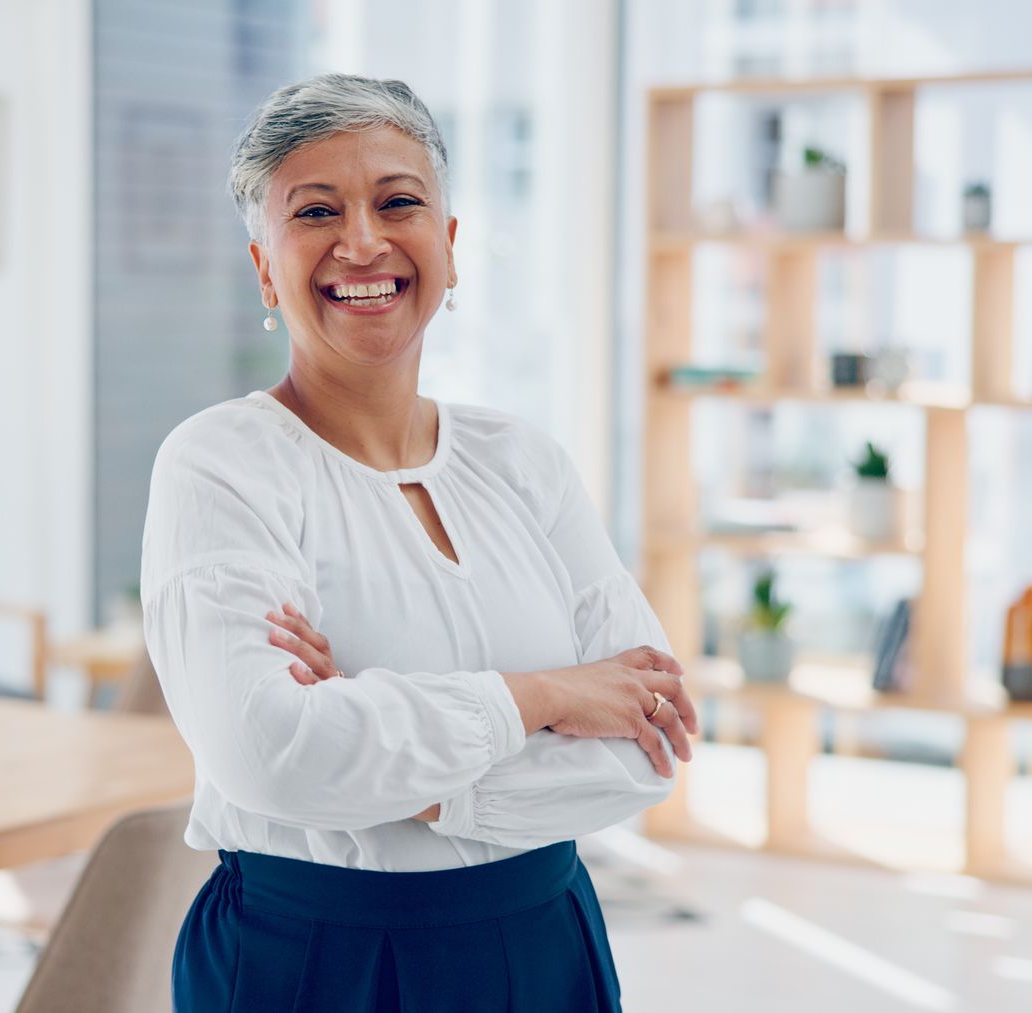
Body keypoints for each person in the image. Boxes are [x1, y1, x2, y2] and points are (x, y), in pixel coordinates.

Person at [140, 72, 697, 1012]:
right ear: (265, 267)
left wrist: (386, 751)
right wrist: (548, 696)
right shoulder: (221, 465)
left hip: (541, 941)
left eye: (398, 201)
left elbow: (648, 743)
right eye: (315, 211)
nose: (363, 240)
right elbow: (268, 753)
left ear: (446, 245)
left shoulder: (524, 461)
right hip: (311, 957)